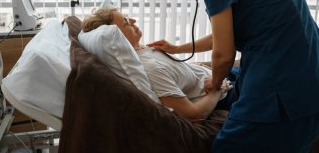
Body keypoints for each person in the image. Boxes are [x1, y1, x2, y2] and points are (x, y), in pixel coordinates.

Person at [146, 0, 319, 152]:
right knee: (236, 86)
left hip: (285, 82)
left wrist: (215, 84)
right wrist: (178, 48)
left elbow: (224, 53)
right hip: (307, 73)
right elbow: (224, 36)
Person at [82, 7, 236, 122]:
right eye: (126, 23)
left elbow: (177, 74)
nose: (134, 21)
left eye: (128, 18)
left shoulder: (145, 49)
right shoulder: (150, 68)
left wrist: (198, 67)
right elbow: (193, 115)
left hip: (221, 76)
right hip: (226, 93)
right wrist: (217, 88)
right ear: (118, 38)